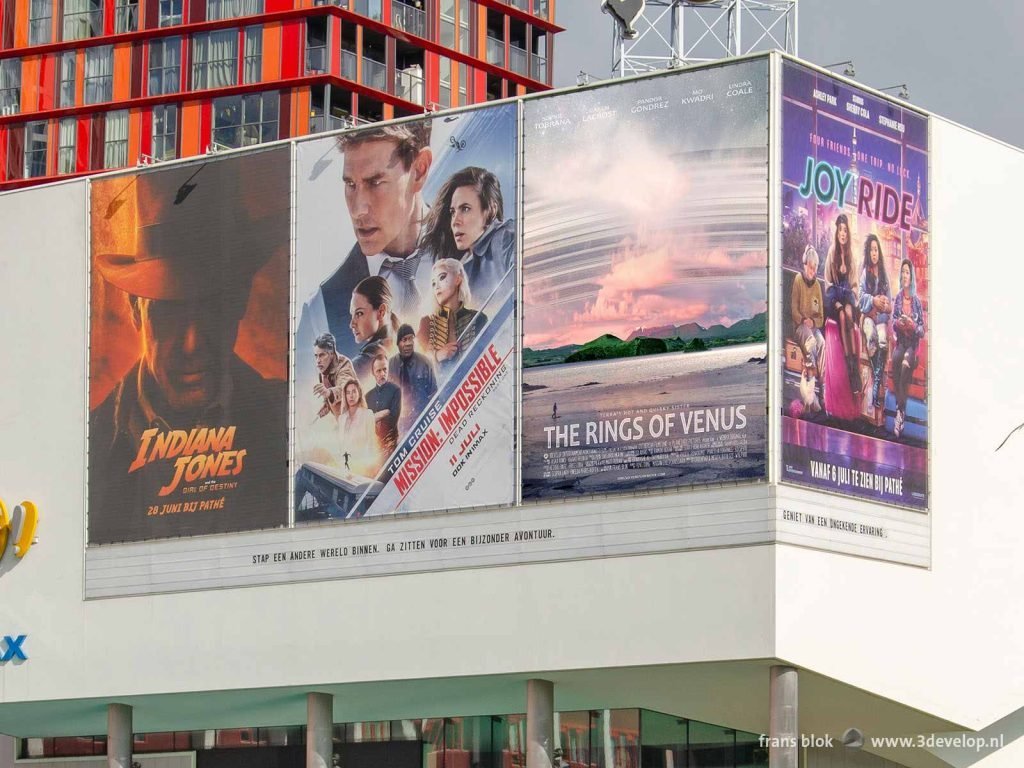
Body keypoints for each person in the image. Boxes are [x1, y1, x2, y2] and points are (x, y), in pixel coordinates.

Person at [88, 155, 288, 545]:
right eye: (170, 313)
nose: (192, 344)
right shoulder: (90, 443)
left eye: (212, 307)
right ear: (135, 310)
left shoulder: (288, 422)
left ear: (240, 303)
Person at [299, 123, 433, 359]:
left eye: (375, 183)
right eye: (350, 185)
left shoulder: (487, 250)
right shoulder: (321, 311)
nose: (358, 210)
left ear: (419, 171)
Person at [419, 166, 515, 303]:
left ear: (491, 210)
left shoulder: (504, 237)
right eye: (453, 212)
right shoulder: (461, 264)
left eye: (465, 209)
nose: (455, 221)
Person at [417, 258, 487, 376]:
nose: (437, 286)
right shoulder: (426, 323)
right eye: (433, 283)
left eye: (442, 277)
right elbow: (416, 365)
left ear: (458, 279)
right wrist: (437, 355)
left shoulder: (479, 319)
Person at [825, 213, 860, 394]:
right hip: (835, 298)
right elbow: (828, 282)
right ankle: (850, 367)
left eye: (845, 230)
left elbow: (854, 285)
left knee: (847, 314)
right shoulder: (832, 252)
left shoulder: (852, 255)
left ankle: (854, 367)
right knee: (841, 314)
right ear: (837, 232)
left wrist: (850, 299)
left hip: (847, 297)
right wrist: (835, 302)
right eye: (840, 230)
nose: (843, 234)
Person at [890, 259, 924, 438]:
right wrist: (899, 323)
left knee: (904, 365)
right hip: (901, 343)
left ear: (911, 277)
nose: (904, 275)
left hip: (912, 347)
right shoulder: (897, 298)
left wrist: (912, 325)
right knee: (895, 360)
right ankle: (899, 409)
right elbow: (893, 324)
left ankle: (899, 411)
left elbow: (922, 331)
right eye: (902, 272)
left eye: (907, 272)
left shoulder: (916, 302)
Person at [857, 234, 892, 411]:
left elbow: (890, 304)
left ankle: (877, 381)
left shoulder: (885, 276)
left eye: (876, 249)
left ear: (879, 251)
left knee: (884, 342)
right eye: (871, 250)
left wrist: (885, 305)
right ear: (868, 253)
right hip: (869, 318)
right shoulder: (865, 274)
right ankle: (876, 379)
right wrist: (873, 300)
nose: (874, 253)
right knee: (872, 338)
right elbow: (860, 298)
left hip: (882, 320)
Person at [389, 323, 438, 434]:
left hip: (424, 420)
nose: (409, 343)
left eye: (411, 339)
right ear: (398, 343)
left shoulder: (425, 362)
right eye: (404, 339)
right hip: (401, 425)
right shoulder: (390, 365)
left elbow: (434, 394)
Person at [350, 276, 399, 382]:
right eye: (352, 315)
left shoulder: (361, 363)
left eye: (359, 313)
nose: (352, 324)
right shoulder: (399, 341)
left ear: (381, 311)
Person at [790, 245, 825, 374]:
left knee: (822, 344)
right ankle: (812, 371)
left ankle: (823, 385)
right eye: (811, 267)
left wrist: (813, 322)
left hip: (813, 327)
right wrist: (804, 320)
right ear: (805, 265)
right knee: (811, 341)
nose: (812, 271)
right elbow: (794, 310)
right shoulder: (798, 279)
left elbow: (821, 317)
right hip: (800, 327)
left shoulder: (817, 286)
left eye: (815, 267)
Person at [337, 378, 378, 475]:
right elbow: (340, 447)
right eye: (348, 393)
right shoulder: (341, 418)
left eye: (354, 392)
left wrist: (368, 469)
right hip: (344, 470)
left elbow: (371, 445)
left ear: (359, 394)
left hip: (362, 469)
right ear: (345, 396)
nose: (351, 396)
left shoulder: (368, 414)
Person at [312, 332, 357, 420]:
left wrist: (329, 393)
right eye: (316, 356)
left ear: (332, 353)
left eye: (322, 355)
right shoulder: (323, 370)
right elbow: (329, 394)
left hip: (356, 419)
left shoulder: (344, 365)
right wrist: (326, 406)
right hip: (342, 422)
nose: (318, 361)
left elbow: (345, 388)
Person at [365, 352, 402, 456]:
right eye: (379, 371)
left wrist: (374, 418)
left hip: (391, 445)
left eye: (385, 369)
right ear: (373, 372)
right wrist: (385, 412)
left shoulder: (395, 390)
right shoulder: (367, 396)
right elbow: (365, 422)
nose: (382, 373)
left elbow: (393, 418)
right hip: (372, 448)